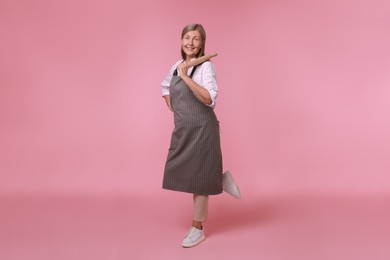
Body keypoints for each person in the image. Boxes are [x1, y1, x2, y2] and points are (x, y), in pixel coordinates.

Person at [161, 23, 222, 248]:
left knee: (199, 182)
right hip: (184, 128)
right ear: (181, 40)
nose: (190, 43)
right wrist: (177, 109)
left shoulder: (206, 67)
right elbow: (165, 87)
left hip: (203, 129)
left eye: (196, 39)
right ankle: (221, 178)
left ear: (202, 43)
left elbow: (208, 99)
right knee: (179, 169)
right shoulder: (177, 65)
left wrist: (187, 77)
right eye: (187, 38)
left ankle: (197, 229)